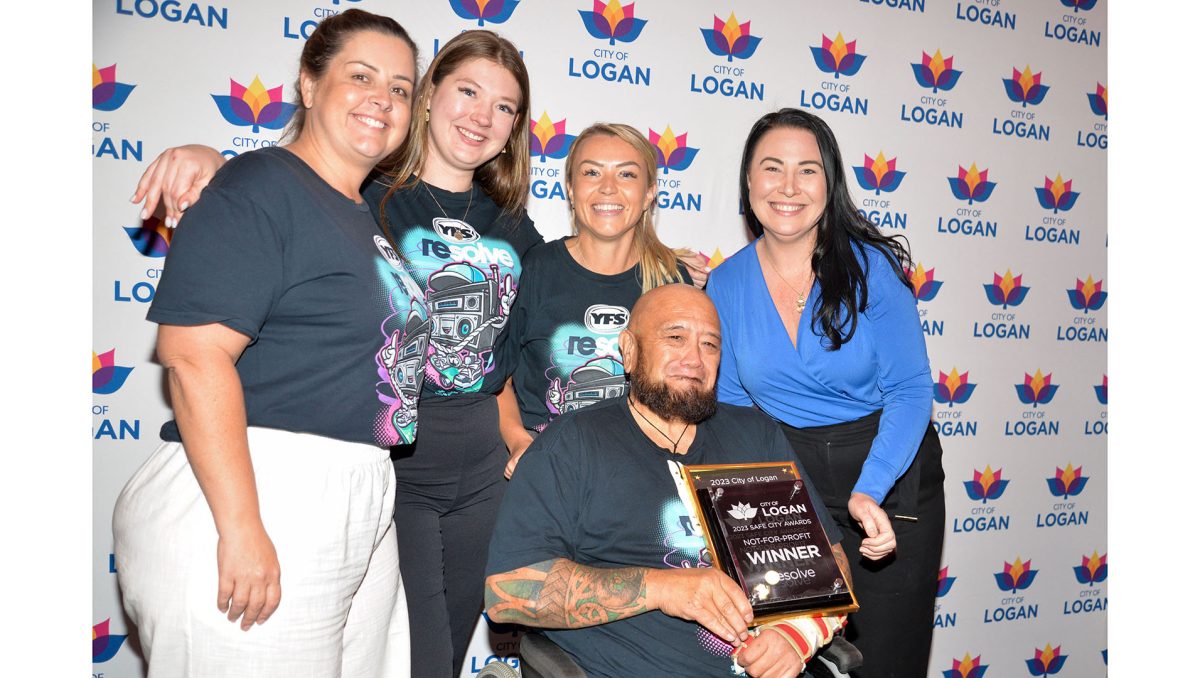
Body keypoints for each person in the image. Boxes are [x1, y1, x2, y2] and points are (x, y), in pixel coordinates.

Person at [111, 10, 425, 677]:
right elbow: (195, 356)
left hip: (356, 490)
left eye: (400, 88)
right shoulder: (258, 186)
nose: (383, 98)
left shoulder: (359, 214)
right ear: (309, 85)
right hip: (261, 489)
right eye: (361, 76)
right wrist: (242, 527)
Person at [485, 284, 850, 678]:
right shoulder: (572, 445)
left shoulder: (757, 437)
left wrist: (797, 633)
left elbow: (831, 565)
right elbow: (507, 594)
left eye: (710, 345)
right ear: (629, 349)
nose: (694, 359)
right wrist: (663, 589)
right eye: (675, 338)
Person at [705, 108, 945, 678]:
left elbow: (911, 391)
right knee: (797, 661)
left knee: (882, 663)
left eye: (807, 170)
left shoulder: (871, 268)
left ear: (829, 183)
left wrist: (869, 492)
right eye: (772, 168)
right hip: (793, 481)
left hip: (889, 475)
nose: (788, 187)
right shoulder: (726, 283)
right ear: (748, 182)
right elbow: (737, 408)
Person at [496, 122, 691, 479]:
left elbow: (685, 395)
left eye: (627, 174)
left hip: (642, 476)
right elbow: (498, 379)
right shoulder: (535, 267)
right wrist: (518, 441)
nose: (608, 188)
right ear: (570, 189)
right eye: (591, 172)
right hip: (549, 472)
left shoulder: (673, 281)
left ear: (650, 193)